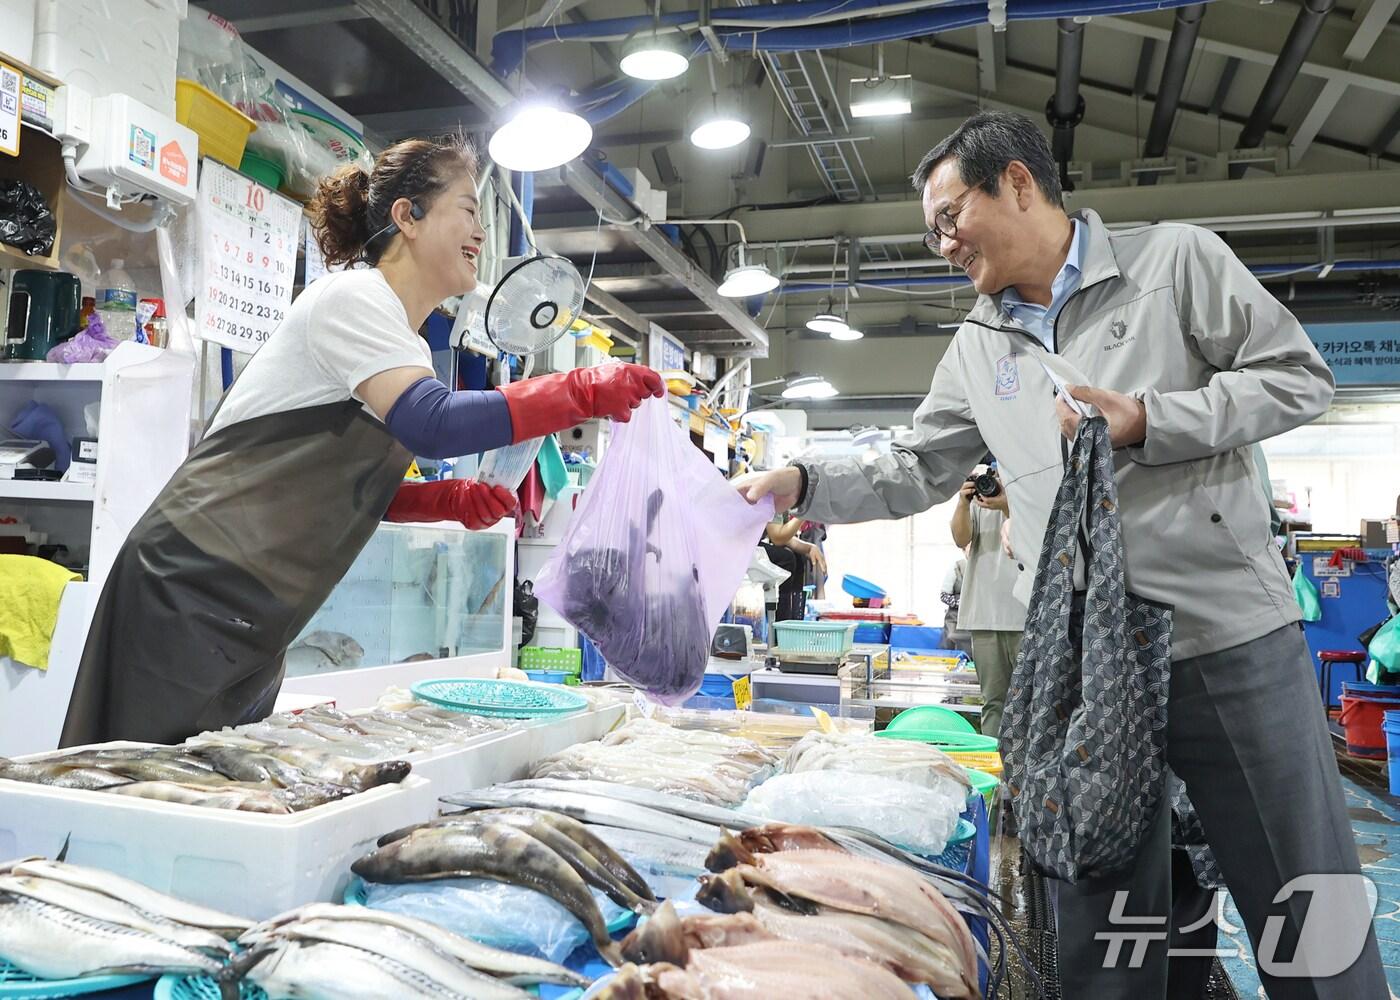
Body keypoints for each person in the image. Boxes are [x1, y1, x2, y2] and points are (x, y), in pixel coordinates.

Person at [734, 110, 1383, 998]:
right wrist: (799, 483)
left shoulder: (1174, 265)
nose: (941, 244)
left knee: (1303, 907)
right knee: (1106, 932)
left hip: (1222, 638)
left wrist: (1150, 419)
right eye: (931, 230)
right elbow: (916, 464)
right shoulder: (977, 346)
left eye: (949, 216)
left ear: (1019, 183)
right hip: (1084, 676)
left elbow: (1297, 375)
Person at [61, 136, 663, 747]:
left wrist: (441, 501)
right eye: (469, 209)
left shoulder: (400, 335)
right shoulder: (353, 297)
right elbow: (433, 421)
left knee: (214, 795)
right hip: (193, 584)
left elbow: (337, 485)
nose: (481, 232)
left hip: (254, 605)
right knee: (143, 792)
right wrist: (579, 392)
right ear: (408, 215)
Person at [949, 464, 1024, 738]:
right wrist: (962, 502)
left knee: (1032, 702)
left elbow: (1035, 529)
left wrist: (1007, 505)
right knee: (993, 703)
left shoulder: (1028, 479)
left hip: (1025, 612)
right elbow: (961, 538)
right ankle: (995, 770)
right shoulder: (981, 483)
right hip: (984, 612)